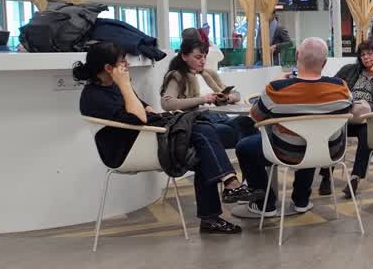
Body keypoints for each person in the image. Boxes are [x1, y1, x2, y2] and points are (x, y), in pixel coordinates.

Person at [75, 42, 251, 234]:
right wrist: (126, 85)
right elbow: (139, 117)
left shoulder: (114, 86)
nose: (127, 66)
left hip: (149, 137)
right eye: (123, 63)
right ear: (109, 68)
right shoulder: (95, 96)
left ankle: (215, 212)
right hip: (131, 149)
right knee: (203, 130)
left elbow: (145, 107)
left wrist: (139, 101)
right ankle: (230, 185)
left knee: (204, 139)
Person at [233, 37, 353, 218]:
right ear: (325, 62)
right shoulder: (340, 88)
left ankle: (265, 203)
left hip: (285, 152)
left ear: (297, 55)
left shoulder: (276, 89)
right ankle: (301, 200)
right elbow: (349, 107)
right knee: (312, 137)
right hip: (329, 151)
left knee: (245, 147)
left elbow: (256, 116)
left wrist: (276, 82)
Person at [319, 41, 373, 198]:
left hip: (368, 118)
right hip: (347, 114)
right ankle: (326, 175)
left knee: (366, 134)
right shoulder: (350, 70)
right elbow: (332, 86)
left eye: (370, 53)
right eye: (363, 54)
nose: (366, 57)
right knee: (335, 130)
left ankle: (355, 178)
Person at [160, 36, 255, 148]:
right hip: (200, 121)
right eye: (198, 57)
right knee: (227, 131)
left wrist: (227, 98)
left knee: (248, 123)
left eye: (205, 57)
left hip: (219, 117)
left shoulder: (209, 74)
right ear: (184, 56)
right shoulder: (178, 76)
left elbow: (236, 94)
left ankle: (247, 157)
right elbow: (167, 103)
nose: (203, 61)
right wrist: (203, 99)